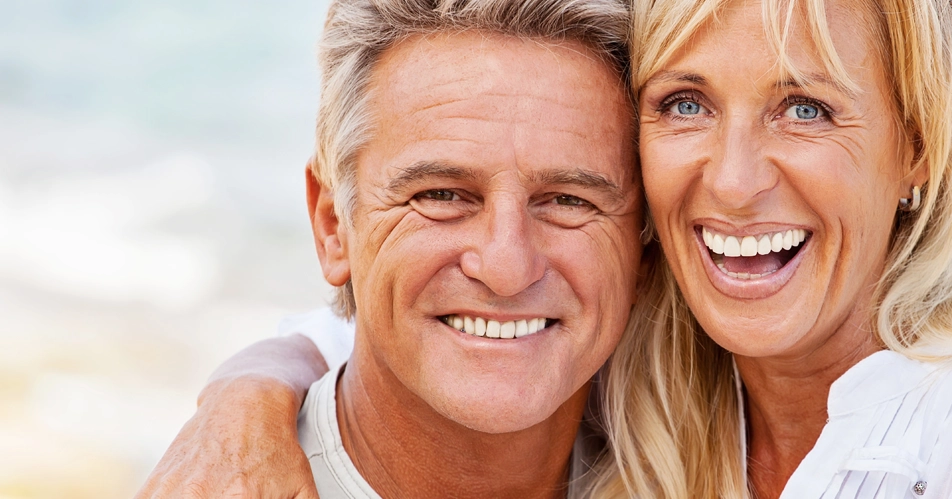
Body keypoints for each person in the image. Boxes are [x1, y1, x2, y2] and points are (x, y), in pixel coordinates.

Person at [143, 0, 952, 497]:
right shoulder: (652, 384)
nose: (731, 181)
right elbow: (391, 331)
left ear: (921, 146)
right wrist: (246, 396)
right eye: (684, 103)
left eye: (807, 109)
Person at [133, 0, 645, 498]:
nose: (507, 267)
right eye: (440, 195)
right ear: (333, 226)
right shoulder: (226, 481)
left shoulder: (700, 463)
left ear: (645, 242)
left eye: (568, 201)